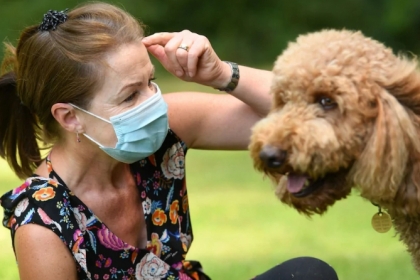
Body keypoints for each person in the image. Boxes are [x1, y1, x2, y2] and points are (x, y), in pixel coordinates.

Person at [0, 2, 338, 279]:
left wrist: (222, 74)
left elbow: (309, 115)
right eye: (130, 96)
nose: (152, 103)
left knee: (310, 273)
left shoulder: (163, 129)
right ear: (69, 117)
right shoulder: (42, 222)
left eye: (150, 81)